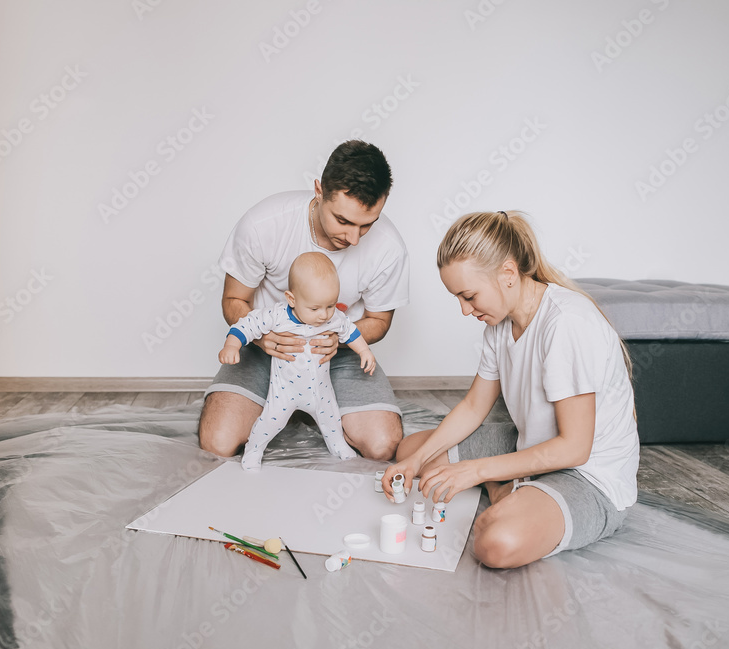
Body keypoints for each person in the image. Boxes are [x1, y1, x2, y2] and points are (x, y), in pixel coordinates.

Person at [383, 211, 639, 569]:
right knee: (411, 450)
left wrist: (478, 472)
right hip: (530, 444)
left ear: (507, 274)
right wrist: (414, 462)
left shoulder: (567, 324)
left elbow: (576, 448)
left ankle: (504, 486)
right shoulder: (500, 326)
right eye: (457, 298)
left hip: (587, 475)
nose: (463, 310)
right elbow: (474, 406)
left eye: (469, 296)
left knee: (496, 543)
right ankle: (506, 483)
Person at [200, 141, 408, 461]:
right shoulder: (264, 224)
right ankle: (286, 407)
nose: (354, 239)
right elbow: (234, 300)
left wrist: (336, 341)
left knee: (382, 446)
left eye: (367, 224)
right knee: (218, 443)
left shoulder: (389, 248)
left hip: (335, 352)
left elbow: (379, 322)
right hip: (268, 346)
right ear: (318, 191)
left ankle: (309, 407)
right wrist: (264, 339)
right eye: (343, 220)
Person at [219, 252, 378, 470]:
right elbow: (246, 324)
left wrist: (364, 351)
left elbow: (350, 331)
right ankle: (254, 450)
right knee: (269, 422)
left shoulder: (333, 317)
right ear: (292, 299)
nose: (324, 315)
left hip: (321, 391)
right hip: (285, 392)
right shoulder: (277, 316)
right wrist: (232, 345)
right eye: (315, 308)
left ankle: (338, 446)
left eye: (330, 305)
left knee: (332, 421)